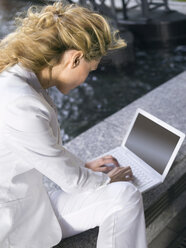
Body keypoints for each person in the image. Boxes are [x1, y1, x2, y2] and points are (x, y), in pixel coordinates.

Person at [0, 1, 147, 248]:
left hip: (30, 207)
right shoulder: (21, 104)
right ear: (75, 59)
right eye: (91, 68)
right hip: (15, 228)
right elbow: (74, 183)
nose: (88, 77)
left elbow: (38, 151)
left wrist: (83, 165)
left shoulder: (16, 79)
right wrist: (108, 180)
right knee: (125, 195)